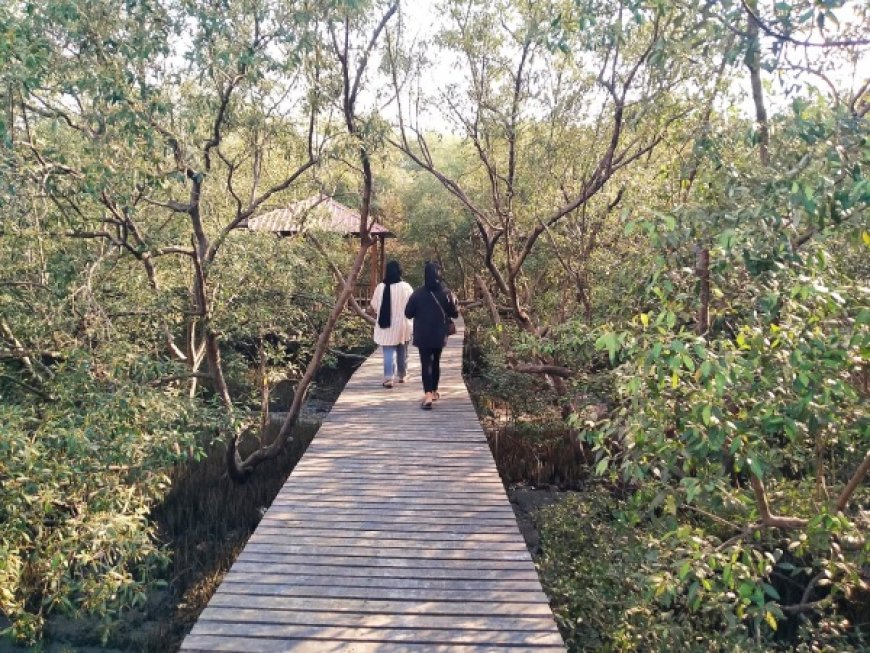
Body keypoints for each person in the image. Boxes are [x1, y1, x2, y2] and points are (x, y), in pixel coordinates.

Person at [404, 261, 459, 409]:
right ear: (439, 274)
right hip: (439, 334)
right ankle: (434, 391)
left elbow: (408, 313)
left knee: (426, 363)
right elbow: (455, 313)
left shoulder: (417, 294)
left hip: (422, 334)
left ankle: (427, 394)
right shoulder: (447, 293)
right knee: (436, 362)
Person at [370, 260, 413, 388]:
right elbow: (412, 306)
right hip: (403, 324)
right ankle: (402, 375)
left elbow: (375, 305)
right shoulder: (406, 287)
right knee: (402, 349)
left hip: (386, 324)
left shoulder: (380, 287)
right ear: (400, 271)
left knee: (388, 351)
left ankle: (389, 378)